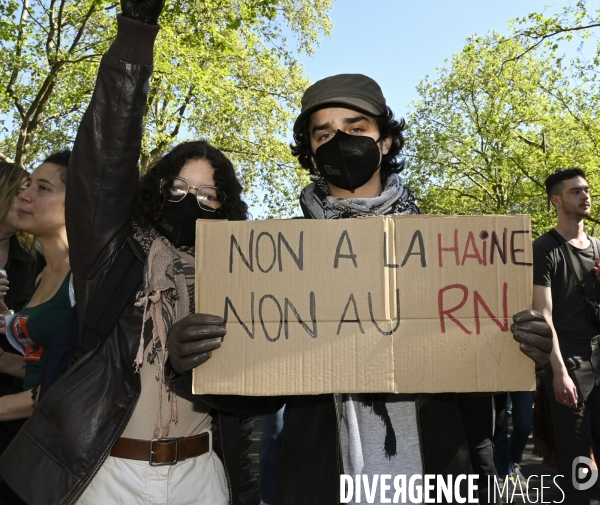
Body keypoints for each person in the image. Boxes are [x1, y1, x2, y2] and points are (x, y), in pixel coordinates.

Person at [168, 73, 554, 504]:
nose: (340, 141)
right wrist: (195, 360)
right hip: (325, 484)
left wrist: (525, 350)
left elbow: (480, 386)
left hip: (439, 480)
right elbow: (256, 393)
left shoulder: (450, 251)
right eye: (325, 134)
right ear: (311, 152)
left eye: (356, 129)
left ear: (385, 141)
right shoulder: (277, 258)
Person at [0, 0, 258, 505]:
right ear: (156, 190)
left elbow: (263, 388)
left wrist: (198, 368)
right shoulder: (111, 254)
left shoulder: (243, 278)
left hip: (202, 475)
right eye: (179, 187)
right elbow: (105, 158)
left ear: (227, 209)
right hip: (107, 475)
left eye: (208, 196)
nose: (192, 201)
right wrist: (137, 32)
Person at [532, 167, 600, 504]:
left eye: (586, 189)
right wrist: (558, 372)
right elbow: (544, 315)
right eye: (576, 191)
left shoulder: (599, 247)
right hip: (569, 362)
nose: (585, 195)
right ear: (556, 201)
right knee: (576, 460)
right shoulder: (543, 249)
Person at [0, 152, 72, 423]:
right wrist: (5, 361)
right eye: (27, 185)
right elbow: (41, 366)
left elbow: (75, 383)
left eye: (42, 188)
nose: (24, 195)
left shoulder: (86, 279)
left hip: (52, 440)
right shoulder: (44, 274)